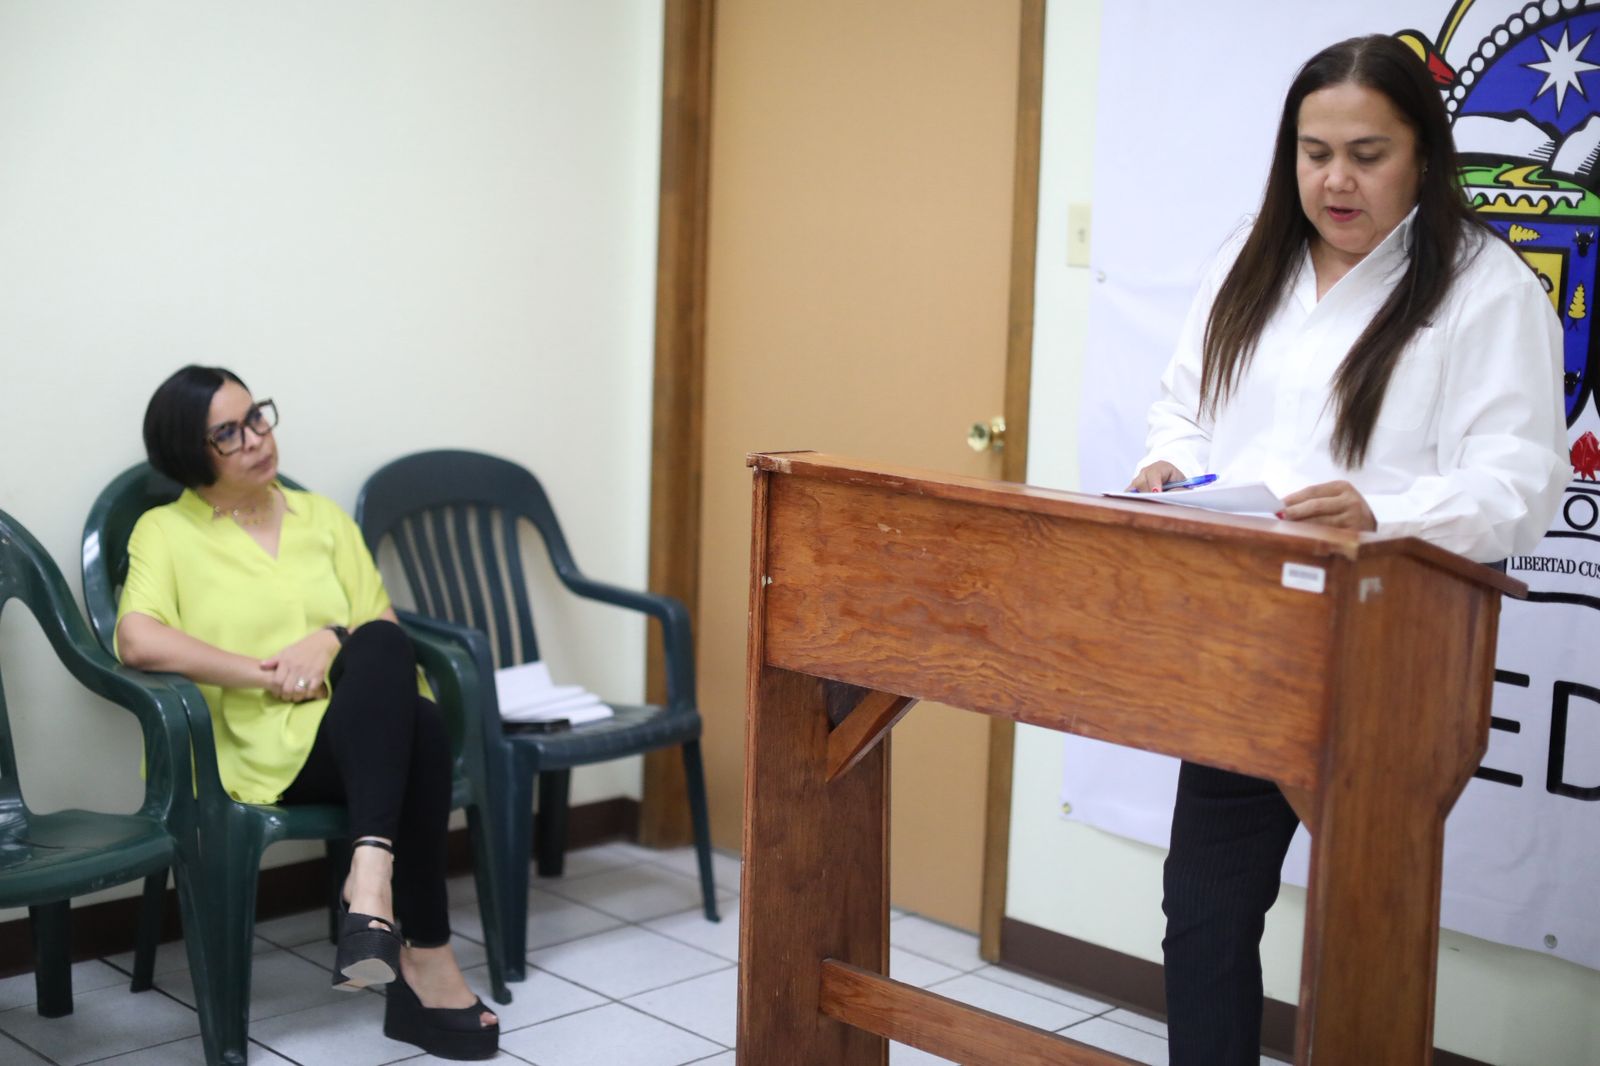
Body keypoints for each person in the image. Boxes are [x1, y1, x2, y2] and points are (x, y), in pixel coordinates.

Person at [1128, 35, 1569, 1065]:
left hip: (1386, 655)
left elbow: (1518, 483)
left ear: (1423, 155)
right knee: (1203, 911)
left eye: (1367, 155)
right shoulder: (1252, 257)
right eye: (1313, 152)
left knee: (1367, 928)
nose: (1335, 180)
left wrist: (1381, 514)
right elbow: (1182, 407)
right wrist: (1170, 464)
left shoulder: (1484, 288)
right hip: (1245, 638)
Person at [116, 365, 499, 1061]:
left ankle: (370, 884)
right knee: (421, 726)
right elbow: (137, 640)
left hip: (349, 732)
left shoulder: (321, 517)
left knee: (383, 649)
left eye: (256, 417)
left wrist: (329, 640)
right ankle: (426, 959)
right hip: (251, 747)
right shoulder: (164, 531)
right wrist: (265, 674)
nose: (256, 439)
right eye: (227, 434)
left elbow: (382, 631)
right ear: (188, 451)